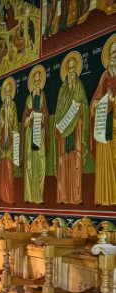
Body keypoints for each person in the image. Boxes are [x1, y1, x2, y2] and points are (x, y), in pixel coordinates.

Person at [55, 52, 89, 204]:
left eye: (74, 68)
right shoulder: (62, 89)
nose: (71, 71)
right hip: (64, 131)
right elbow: (59, 110)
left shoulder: (79, 85)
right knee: (63, 161)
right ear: (66, 71)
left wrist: (80, 107)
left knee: (75, 160)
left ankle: (76, 195)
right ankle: (63, 196)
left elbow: (85, 103)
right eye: (69, 69)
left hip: (76, 130)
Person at [90, 35, 116, 206]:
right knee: (104, 161)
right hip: (104, 125)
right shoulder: (105, 75)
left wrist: (114, 101)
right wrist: (97, 104)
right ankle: (105, 198)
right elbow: (95, 99)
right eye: (112, 53)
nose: (115, 56)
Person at [22, 66, 49, 204]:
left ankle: (39, 196)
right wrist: (30, 117)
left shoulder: (43, 96)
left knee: (41, 164)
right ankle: (29, 196)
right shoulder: (28, 98)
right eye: (35, 81)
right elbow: (24, 120)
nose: (37, 84)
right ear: (32, 82)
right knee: (29, 165)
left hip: (40, 133)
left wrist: (41, 117)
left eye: (39, 81)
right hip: (30, 135)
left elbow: (46, 114)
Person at [0, 77, 18, 204]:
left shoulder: (13, 106)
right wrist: (2, 124)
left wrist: (9, 123)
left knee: (9, 167)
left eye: (10, 91)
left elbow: (15, 123)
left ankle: (9, 196)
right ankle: (1, 194)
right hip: (2, 140)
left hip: (10, 139)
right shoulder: (1, 107)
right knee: (2, 168)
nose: (8, 94)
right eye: (6, 91)